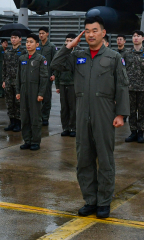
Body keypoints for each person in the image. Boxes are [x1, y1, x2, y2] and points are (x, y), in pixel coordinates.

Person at [51, 16, 129, 219]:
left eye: (94, 30)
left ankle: (104, 201)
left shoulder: (113, 57)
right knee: (84, 157)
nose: (90, 34)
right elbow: (55, 64)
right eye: (87, 31)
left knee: (104, 158)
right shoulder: (78, 56)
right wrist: (69, 46)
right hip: (82, 110)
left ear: (103, 33)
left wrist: (121, 114)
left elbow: (122, 86)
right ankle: (90, 200)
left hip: (104, 111)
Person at [16, 33, 49, 150]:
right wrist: (18, 91)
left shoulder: (41, 59)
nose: (28, 44)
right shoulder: (22, 58)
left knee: (35, 117)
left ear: (37, 44)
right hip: (24, 90)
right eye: (27, 42)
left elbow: (44, 78)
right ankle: (27, 140)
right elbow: (18, 76)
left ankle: (35, 141)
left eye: (31, 42)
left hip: (35, 91)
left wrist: (41, 93)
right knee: (24, 117)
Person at [123, 30, 144, 144]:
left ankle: (140, 132)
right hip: (130, 87)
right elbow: (122, 70)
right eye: (134, 36)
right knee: (131, 111)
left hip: (143, 87)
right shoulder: (127, 53)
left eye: (138, 36)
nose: (136, 38)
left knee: (142, 111)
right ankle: (133, 132)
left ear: (143, 38)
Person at [55, 33, 78, 137]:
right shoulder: (62, 53)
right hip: (63, 83)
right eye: (67, 40)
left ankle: (74, 127)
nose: (68, 42)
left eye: (70, 40)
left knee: (73, 107)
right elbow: (57, 69)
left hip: (73, 84)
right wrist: (57, 85)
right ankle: (66, 127)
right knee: (64, 108)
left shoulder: (78, 53)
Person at [2, 31, 25, 132]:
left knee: (18, 103)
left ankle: (18, 123)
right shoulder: (8, 52)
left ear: (20, 39)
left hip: (18, 82)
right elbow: (4, 67)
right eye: (11, 38)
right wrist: (3, 80)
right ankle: (12, 122)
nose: (13, 39)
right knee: (9, 102)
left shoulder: (23, 52)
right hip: (8, 81)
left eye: (15, 37)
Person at [38, 26, 59, 126]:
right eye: (40, 33)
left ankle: (45, 117)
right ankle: (38, 116)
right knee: (36, 96)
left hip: (46, 76)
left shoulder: (51, 47)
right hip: (37, 76)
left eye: (43, 33)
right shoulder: (37, 46)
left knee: (46, 97)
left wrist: (54, 74)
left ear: (47, 34)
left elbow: (56, 61)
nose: (41, 35)